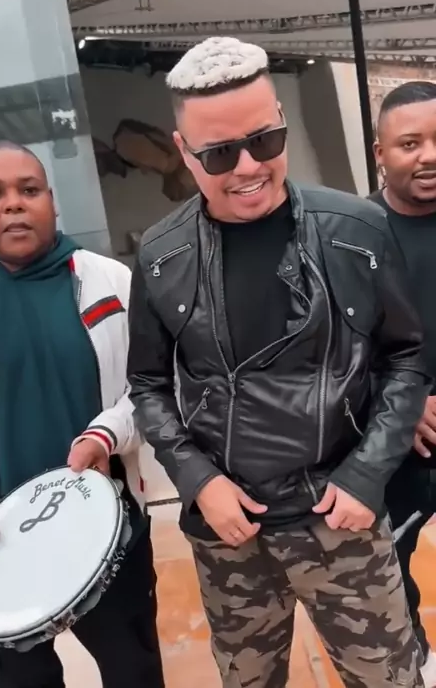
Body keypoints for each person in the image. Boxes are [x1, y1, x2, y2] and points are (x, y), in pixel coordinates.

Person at [127, 37, 430, 688]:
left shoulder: (356, 229)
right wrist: (198, 481)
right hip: (231, 530)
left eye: (265, 141)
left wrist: (367, 474)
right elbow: (148, 385)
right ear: (183, 150)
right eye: (218, 153)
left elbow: (406, 359)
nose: (247, 167)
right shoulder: (159, 255)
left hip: (342, 517)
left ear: (283, 123)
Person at [0, 142, 165, 688]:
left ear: (51, 199)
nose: (14, 204)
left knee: (135, 673)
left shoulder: (111, 282)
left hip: (108, 530)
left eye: (29, 190)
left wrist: (106, 434)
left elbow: (150, 389)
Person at [372, 80, 436, 688]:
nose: (428, 156)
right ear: (381, 153)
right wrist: (403, 401)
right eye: (410, 143)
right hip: (396, 443)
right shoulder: (350, 237)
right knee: (388, 568)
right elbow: (330, 348)